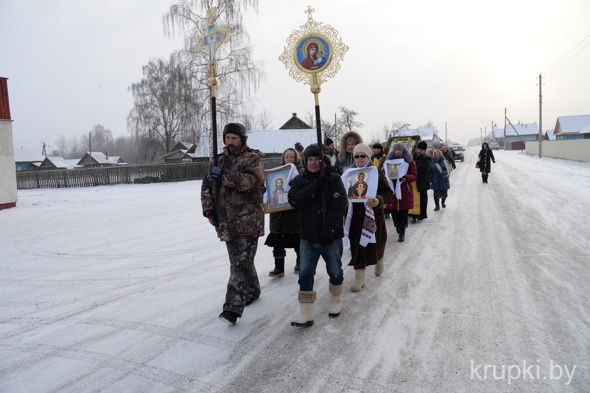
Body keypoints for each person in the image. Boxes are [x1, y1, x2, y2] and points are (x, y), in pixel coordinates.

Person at [201, 122, 265, 325]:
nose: (230, 142)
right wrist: (209, 209)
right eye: (227, 138)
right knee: (240, 262)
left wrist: (226, 176)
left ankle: (232, 307)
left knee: (240, 263)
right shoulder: (217, 160)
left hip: (248, 220)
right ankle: (252, 290)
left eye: (234, 138)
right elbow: (206, 186)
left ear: (242, 139)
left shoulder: (252, 158)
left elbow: (252, 182)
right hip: (226, 221)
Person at [288, 144, 348, 327]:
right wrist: (315, 187)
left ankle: (336, 300)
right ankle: (306, 313)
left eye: (317, 159)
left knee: (335, 270)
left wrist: (329, 230)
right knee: (305, 273)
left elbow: (340, 206)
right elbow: (294, 200)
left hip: (330, 237)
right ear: (305, 161)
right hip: (308, 238)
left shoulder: (334, 179)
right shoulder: (300, 180)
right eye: (310, 159)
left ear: (324, 160)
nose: (313, 163)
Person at [345, 143, 393, 291]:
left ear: (368, 156)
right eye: (357, 156)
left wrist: (378, 200)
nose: (360, 158)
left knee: (376, 242)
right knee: (357, 245)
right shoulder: (350, 173)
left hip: (373, 214)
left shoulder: (375, 172)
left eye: (363, 156)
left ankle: (379, 258)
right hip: (354, 216)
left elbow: (388, 192)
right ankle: (360, 278)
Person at [265, 148, 304, 277]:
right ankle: (279, 267)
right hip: (278, 214)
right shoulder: (277, 172)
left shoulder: (301, 172)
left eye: (291, 157)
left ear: (296, 158)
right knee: (278, 240)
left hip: (294, 214)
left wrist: (296, 183)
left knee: (297, 239)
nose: (289, 160)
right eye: (286, 157)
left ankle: (300, 262)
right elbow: (269, 188)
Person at [385, 143, 417, 242]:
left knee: (403, 213)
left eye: (400, 149)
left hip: (404, 191)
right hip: (393, 190)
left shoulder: (409, 161)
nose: (398, 151)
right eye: (396, 149)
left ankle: (402, 231)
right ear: (393, 151)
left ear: (403, 150)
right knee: (394, 214)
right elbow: (383, 172)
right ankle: (398, 228)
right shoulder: (388, 162)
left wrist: (406, 178)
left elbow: (414, 175)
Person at [409, 140, 431, 223]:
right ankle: (413, 214)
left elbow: (426, 169)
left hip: (422, 182)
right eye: (418, 149)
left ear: (424, 151)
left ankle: (421, 214)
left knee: (422, 199)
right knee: (414, 198)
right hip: (414, 182)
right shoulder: (414, 157)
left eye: (421, 150)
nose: (419, 151)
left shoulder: (427, 158)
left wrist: (414, 168)